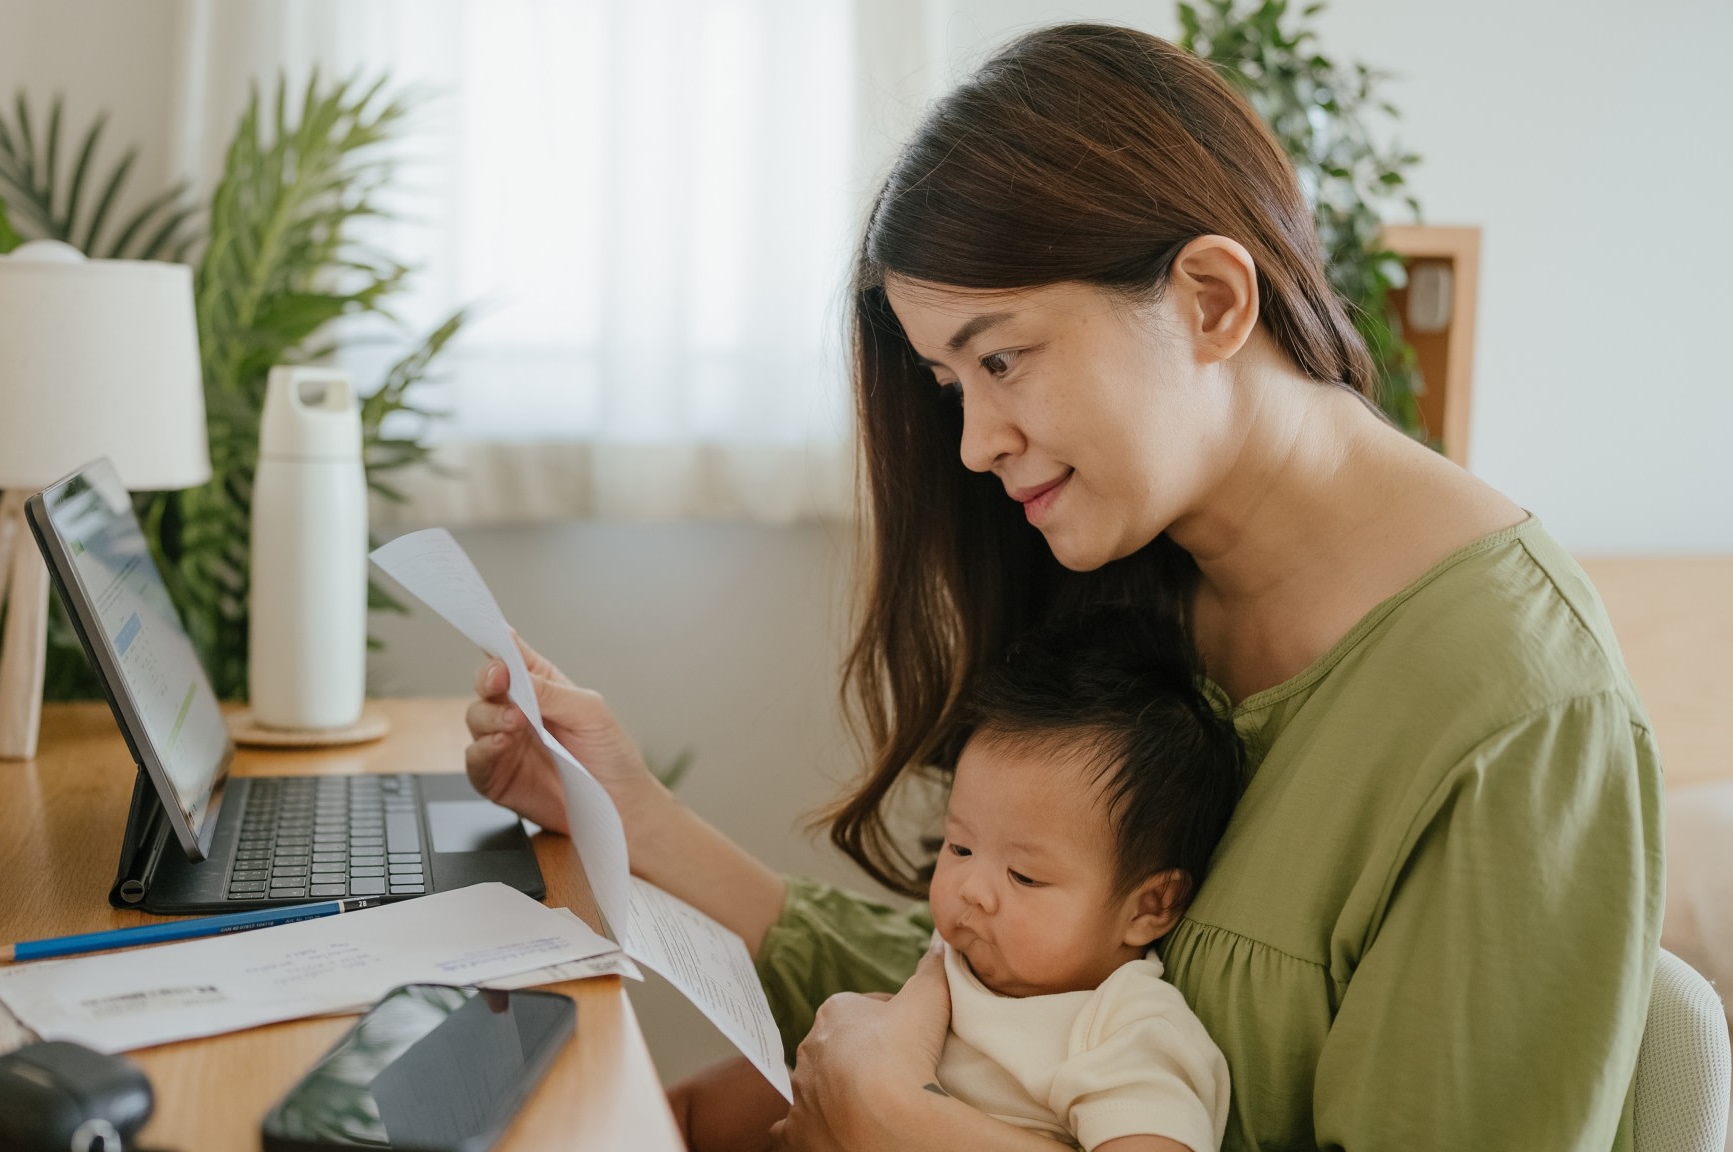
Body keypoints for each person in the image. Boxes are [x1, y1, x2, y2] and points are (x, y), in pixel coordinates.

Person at [462, 22, 1661, 1152]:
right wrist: (628, 816)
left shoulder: (1514, 715)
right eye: (948, 384)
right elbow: (1021, 985)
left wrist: (914, 1133)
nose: (975, 441)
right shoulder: (1150, 574)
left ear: (1209, 300)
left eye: (1000, 358)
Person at [929, 611, 1243, 1151]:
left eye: (1024, 876)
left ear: (1149, 906)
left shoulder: (1122, 1031)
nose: (972, 888)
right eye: (960, 847)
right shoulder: (962, 954)